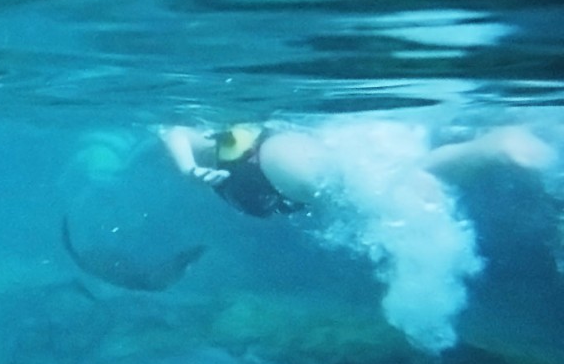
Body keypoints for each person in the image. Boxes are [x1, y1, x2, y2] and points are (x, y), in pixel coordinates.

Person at [160, 119, 556, 217]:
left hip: (273, 161)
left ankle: (492, 147)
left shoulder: (185, 131)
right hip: (281, 161)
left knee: (389, 193)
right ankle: (491, 148)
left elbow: (174, 129)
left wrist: (185, 169)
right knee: (390, 185)